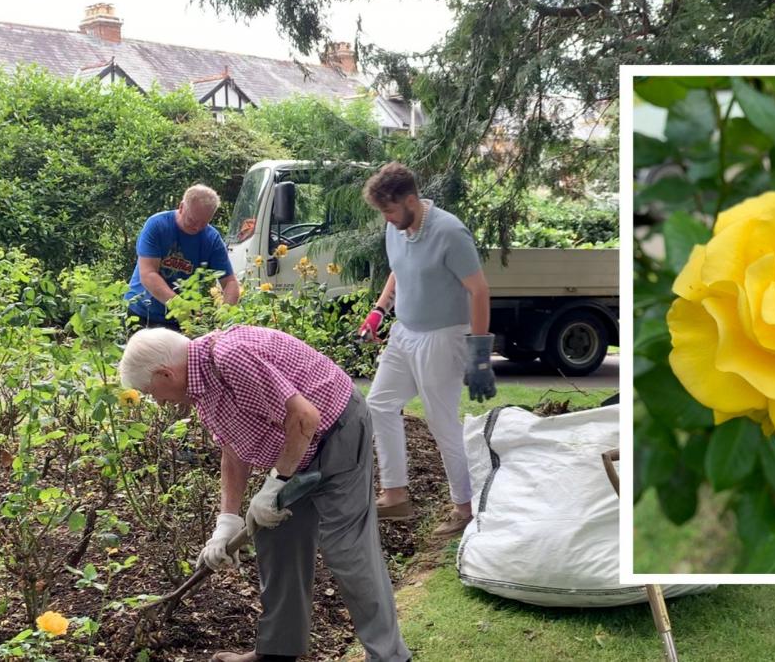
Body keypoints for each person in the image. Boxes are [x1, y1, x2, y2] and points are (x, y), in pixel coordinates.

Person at [118, 326, 410, 662]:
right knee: (275, 536)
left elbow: (305, 417)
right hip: (298, 445)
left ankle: (390, 656)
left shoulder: (230, 357)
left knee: (347, 550)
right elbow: (233, 449)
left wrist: (275, 484)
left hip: (336, 430)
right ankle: (276, 653)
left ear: (164, 373)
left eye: (152, 391)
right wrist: (226, 522)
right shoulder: (202, 386)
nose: (158, 401)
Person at [358, 163, 497, 539]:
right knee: (380, 404)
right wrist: (378, 310)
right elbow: (399, 270)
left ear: (410, 200)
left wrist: (479, 353)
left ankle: (464, 508)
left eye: (388, 210)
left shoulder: (449, 232)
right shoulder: (396, 226)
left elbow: (479, 290)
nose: (385, 218)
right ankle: (396, 494)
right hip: (404, 332)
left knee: (441, 421)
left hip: (443, 336)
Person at [124, 184, 240, 330]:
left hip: (181, 322)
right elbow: (148, 274)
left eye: (203, 223)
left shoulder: (212, 239)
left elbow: (230, 282)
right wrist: (178, 305)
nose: (197, 227)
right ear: (181, 207)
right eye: (192, 220)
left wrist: (225, 314)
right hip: (142, 312)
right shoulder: (157, 225)